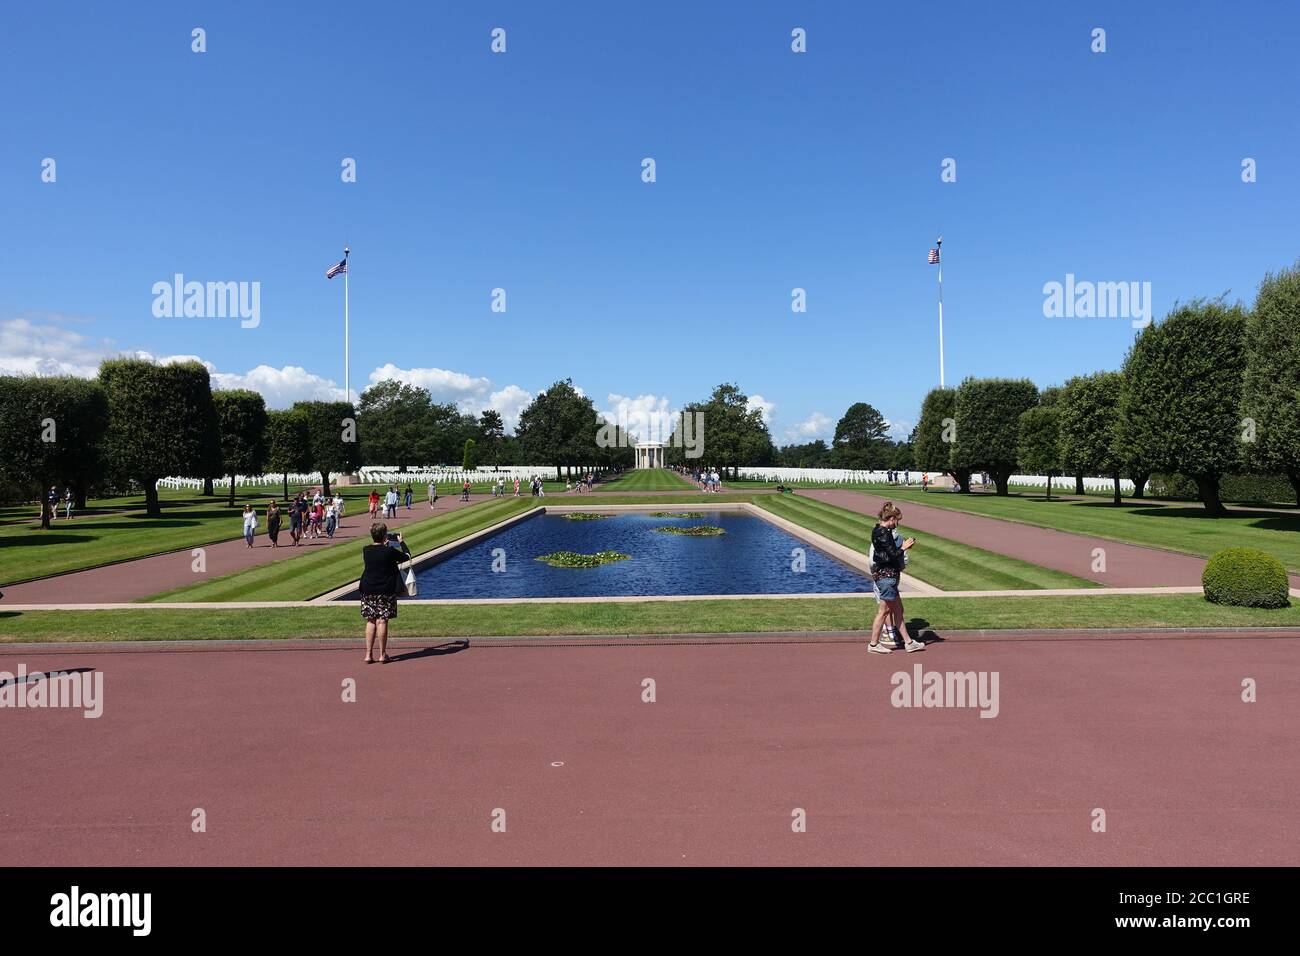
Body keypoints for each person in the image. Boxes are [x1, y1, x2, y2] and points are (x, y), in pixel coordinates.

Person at [867, 502, 924, 654]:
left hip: (886, 576)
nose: (897, 524)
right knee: (884, 612)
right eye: (896, 520)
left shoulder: (877, 530)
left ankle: (909, 642)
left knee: (899, 610)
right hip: (887, 577)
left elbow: (883, 554)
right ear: (891, 518)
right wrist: (904, 547)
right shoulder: (884, 533)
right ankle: (873, 644)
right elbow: (892, 555)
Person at [359, 522, 411, 664]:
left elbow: (379, 555)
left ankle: (368, 654)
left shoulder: (366, 550)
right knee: (382, 620)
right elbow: (406, 556)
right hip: (385, 590)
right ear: (384, 535)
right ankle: (382, 654)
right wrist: (401, 542)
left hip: (368, 588)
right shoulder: (389, 551)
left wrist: (384, 544)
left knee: (371, 620)